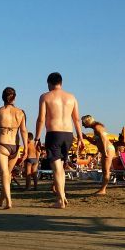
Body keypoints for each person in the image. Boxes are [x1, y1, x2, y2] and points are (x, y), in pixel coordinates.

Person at [34, 72, 84, 208]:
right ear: (61, 83)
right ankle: (63, 196)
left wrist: (37, 138)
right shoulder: (71, 97)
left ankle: (60, 200)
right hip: (68, 134)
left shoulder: (45, 96)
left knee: (56, 169)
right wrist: (80, 137)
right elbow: (76, 119)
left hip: (54, 133)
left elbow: (41, 119)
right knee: (60, 168)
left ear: (49, 83)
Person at [0, 87, 28, 209]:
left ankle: (8, 201)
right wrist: (25, 147)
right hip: (15, 145)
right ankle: (1, 198)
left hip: (2, 144)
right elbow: (24, 131)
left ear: (2, 97)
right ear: (14, 98)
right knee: (7, 174)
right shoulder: (20, 112)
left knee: (4, 174)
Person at [81, 115, 116, 195]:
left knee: (106, 171)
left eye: (83, 123)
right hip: (107, 149)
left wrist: (104, 151)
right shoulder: (96, 128)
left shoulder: (97, 127)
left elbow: (104, 139)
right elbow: (96, 142)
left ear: (87, 122)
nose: (82, 125)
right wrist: (86, 138)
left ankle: (103, 190)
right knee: (105, 171)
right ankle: (102, 189)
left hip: (108, 150)